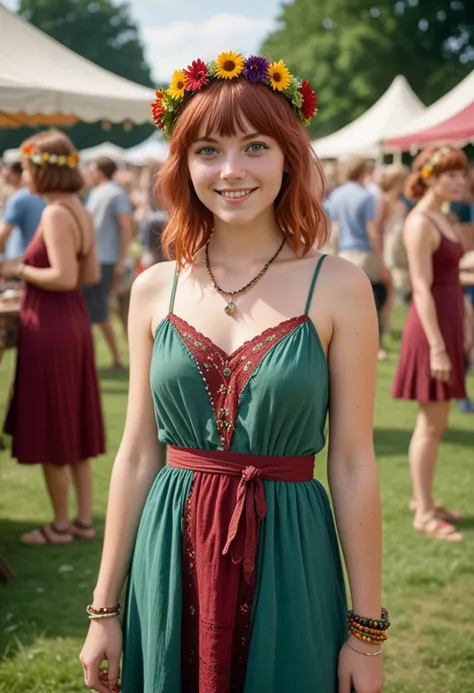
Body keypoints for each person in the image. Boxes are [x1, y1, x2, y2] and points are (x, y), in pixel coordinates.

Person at [80, 52, 386, 693]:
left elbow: (354, 462)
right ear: (184, 164)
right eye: (208, 150)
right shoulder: (152, 289)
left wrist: (366, 631)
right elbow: (138, 455)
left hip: (288, 553)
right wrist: (105, 609)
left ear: (289, 156)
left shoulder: (339, 286)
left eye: (255, 145)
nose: (231, 170)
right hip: (169, 551)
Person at [1, 130, 106, 545]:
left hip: (51, 325)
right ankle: (82, 521)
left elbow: (64, 278)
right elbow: (91, 275)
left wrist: (16, 270)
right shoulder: (76, 207)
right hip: (73, 322)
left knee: (54, 424)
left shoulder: (55, 213)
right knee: (73, 422)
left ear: (41, 169)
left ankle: (61, 526)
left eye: (26, 167)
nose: (22, 174)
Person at [391, 145, 471, 542]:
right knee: (430, 424)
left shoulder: (445, 216)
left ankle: (427, 499)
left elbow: (454, 274)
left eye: (462, 174)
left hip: (450, 324)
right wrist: (438, 346)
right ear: (429, 177)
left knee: (437, 425)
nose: (460, 181)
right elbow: (421, 287)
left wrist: (467, 322)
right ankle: (423, 512)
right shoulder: (420, 222)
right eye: (451, 174)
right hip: (430, 330)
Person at [329, 157, 391, 359]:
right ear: (364, 172)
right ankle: (377, 344)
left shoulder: (337, 194)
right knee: (374, 301)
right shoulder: (366, 197)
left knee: (347, 305)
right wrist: (382, 263)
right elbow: (372, 232)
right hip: (365, 253)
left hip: (344, 252)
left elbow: (335, 227)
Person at [83, 157, 134, 369]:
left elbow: (125, 226)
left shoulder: (116, 192)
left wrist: (122, 260)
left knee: (101, 310)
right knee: (96, 310)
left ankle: (116, 358)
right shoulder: (96, 192)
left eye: (92, 168)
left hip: (106, 259)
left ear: (101, 171)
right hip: (94, 258)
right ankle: (109, 358)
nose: (89, 171)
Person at [375, 164, 410, 333]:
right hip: (388, 250)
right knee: (388, 290)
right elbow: (379, 228)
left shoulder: (401, 202)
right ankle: (384, 326)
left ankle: (386, 326)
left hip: (399, 250)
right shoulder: (385, 201)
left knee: (394, 290)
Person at [0, 161, 46, 259]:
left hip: (19, 261)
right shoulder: (45, 195)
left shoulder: (20, 197)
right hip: (38, 259)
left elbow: (2, 234)